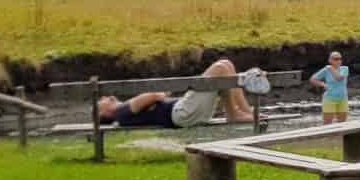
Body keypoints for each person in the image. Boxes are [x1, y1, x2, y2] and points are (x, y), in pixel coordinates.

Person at [97, 58, 257, 130]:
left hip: (183, 112)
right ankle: (239, 113)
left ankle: (239, 112)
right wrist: (161, 93)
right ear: (105, 113)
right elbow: (153, 96)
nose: (104, 98)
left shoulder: (123, 113)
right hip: (181, 113)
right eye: (101, 102)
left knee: (225, 65)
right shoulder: (121, 112)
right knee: (221, 68)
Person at [310, 51, 350, 124]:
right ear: (330, 60)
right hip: (329, 99)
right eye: (336, 59)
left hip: (343, 99)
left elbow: (339, 78)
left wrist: (331, 68)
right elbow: (313, 79)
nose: (338, 61)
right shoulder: (326, 70)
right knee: (327, 124)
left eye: (340, 59)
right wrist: (323, 84)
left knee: (343, 124)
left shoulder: (345, 68)